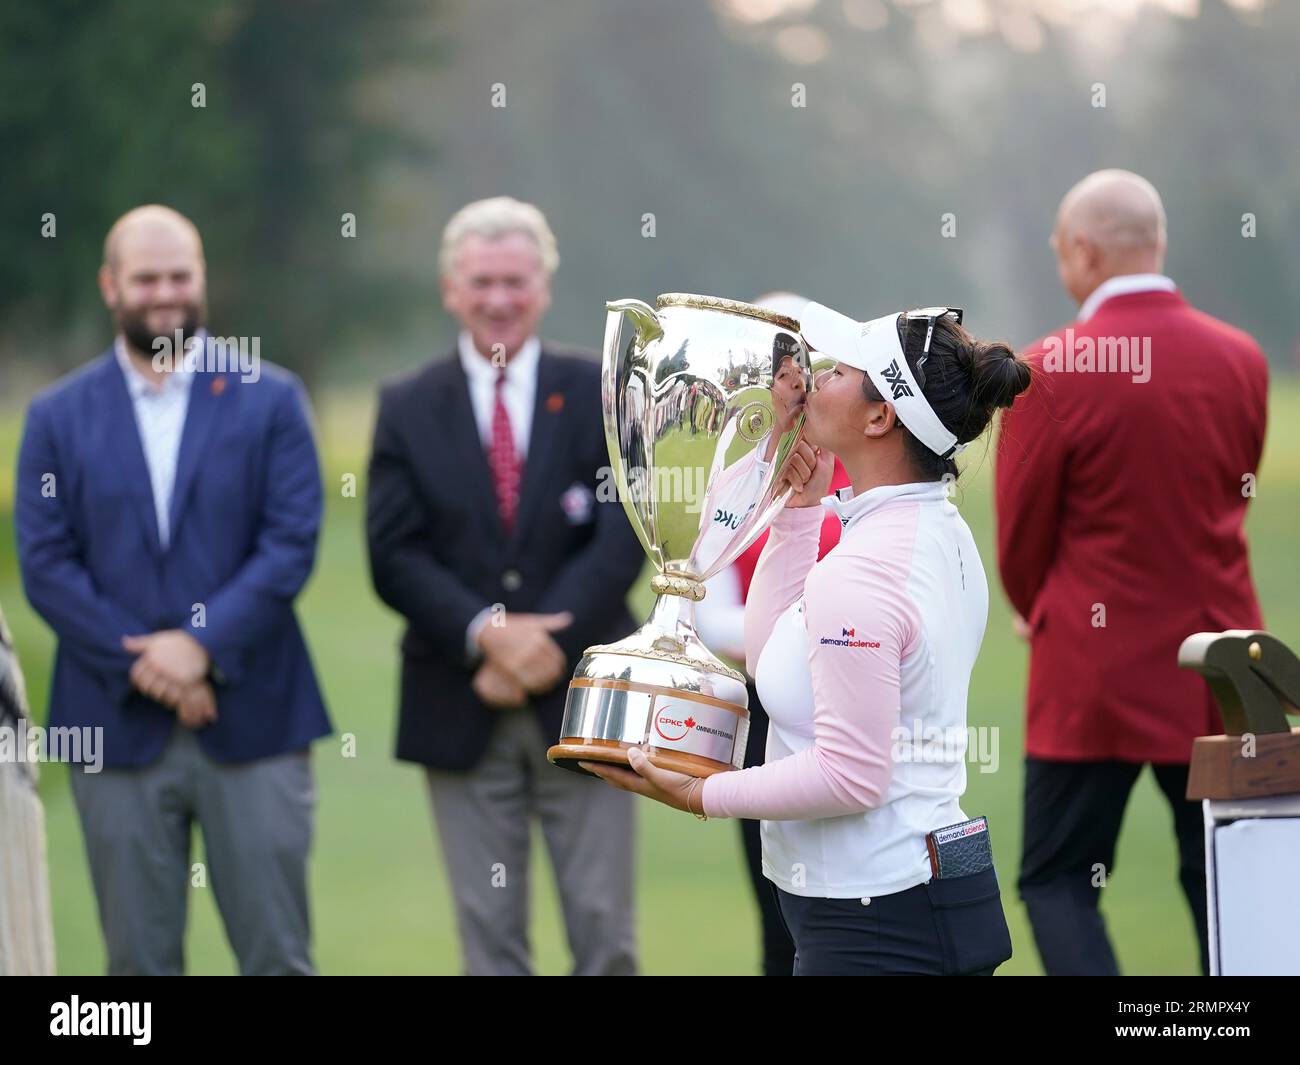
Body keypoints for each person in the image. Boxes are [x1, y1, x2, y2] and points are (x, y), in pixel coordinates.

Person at [584, 301, 1028, 976]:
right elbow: (773, 666)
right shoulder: (931, 528)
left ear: (881, 416)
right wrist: (797, 516)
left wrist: (699, 794)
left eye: (840, 370)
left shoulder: (864, 569)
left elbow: (851, 776)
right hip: (902, 899)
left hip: (877, 920)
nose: (812, 377)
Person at [15, 205, 330, 975]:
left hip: (256, 718)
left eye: (180, 275)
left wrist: (199, 646)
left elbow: (289, 543)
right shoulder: (56, 417)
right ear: (109, 285)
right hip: (112, 728)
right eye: (146, 277)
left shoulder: (273, 398)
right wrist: (149, 665)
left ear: (203, 280)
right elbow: (46, 564)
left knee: (278, 957)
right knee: (137, 972)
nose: (166, 293)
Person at [995, 169, 1269, 976]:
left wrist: (1035, 604)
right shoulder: (1241, 358)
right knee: (1228, 879)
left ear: (1081, 248)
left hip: (1093, 668)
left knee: (1058, 881)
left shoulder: (1050, 367)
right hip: (1224, 670)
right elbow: (1230, 493)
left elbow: (1021, 537)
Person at [366, 196, 645, 976]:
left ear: (544, 287)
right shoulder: (406, 405)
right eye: (481, 280)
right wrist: (488, 632)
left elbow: (627, 532)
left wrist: (545, 642)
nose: (498, 298)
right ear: (451, 288)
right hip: (460, 697)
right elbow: (393, 553)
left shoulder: (600, 388)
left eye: (515, 281)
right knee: (488, 941)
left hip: (586, 698)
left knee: (606, 931)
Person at [694, 291, 849, 977]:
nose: (790, 385)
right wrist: (811, 635)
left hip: (857, 697)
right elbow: (708, 615)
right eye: (774, 368)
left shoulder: (862, 466)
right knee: (780, 907)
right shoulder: (730, 478)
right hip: (762, 709)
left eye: (801, 366)